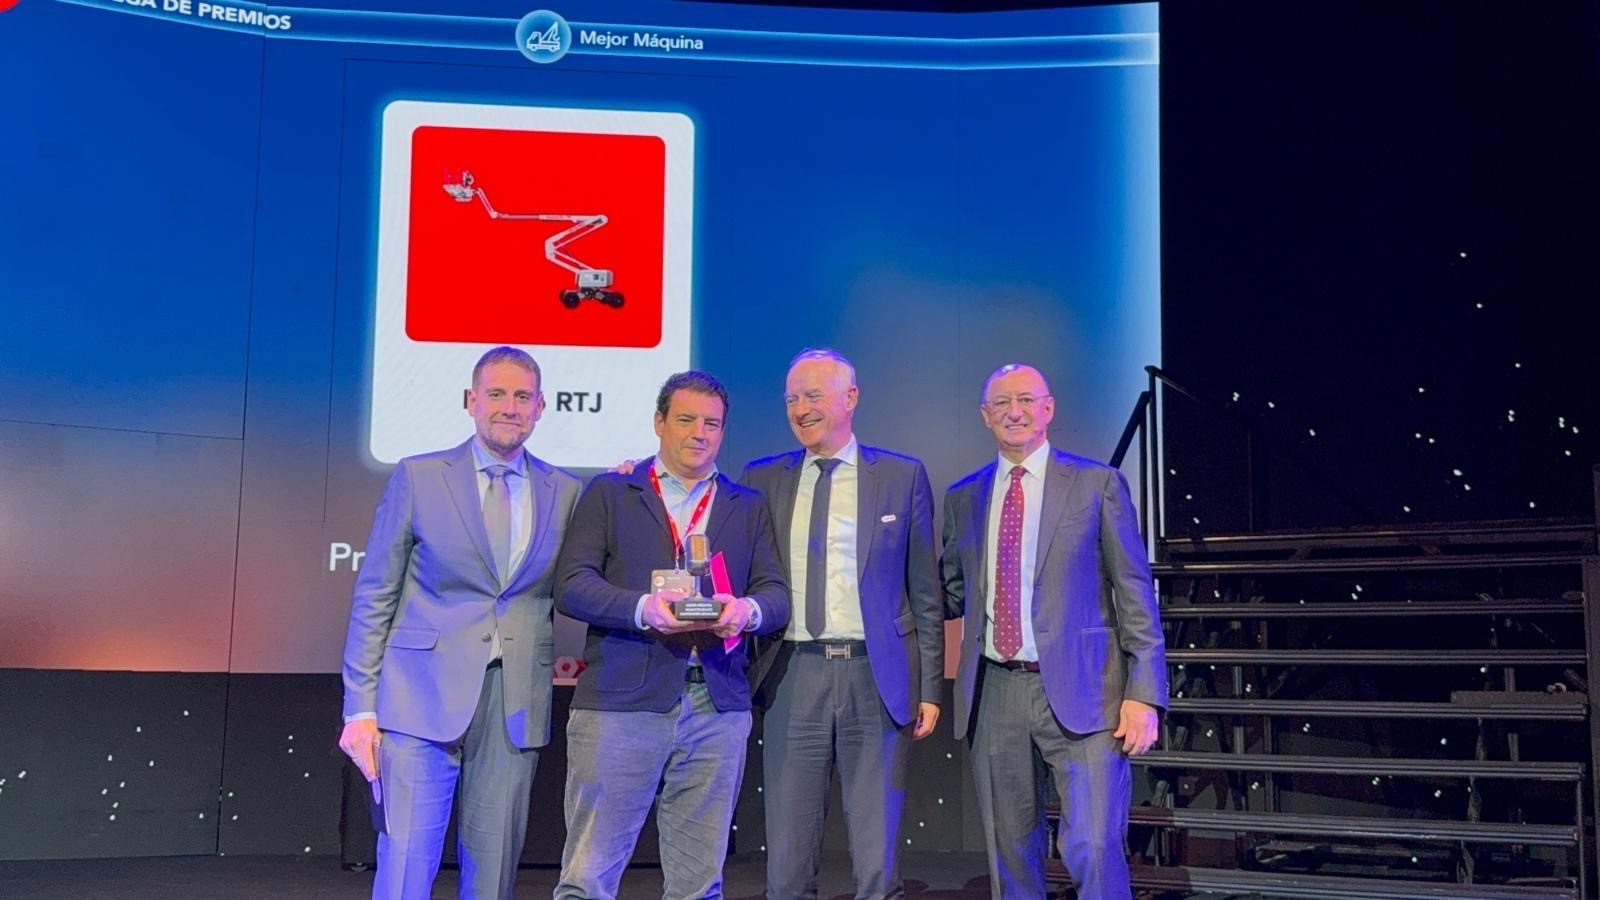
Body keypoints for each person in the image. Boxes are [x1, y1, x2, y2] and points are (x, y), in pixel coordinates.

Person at [339, 346, 581, 900]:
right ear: (472, 401)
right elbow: (375, 594)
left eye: (523, 396)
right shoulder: (420, 476)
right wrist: (360, 708)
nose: (510, 407)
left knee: (493, 874)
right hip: (417, 699)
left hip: (514, 701)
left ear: (541, 407)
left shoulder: (566, 491)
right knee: (405, 867)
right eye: (496, 394)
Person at [553, 370, 790, 900]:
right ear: (659, 422)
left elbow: (774, 593)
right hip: (621, 703)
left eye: (712, 424)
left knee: (699, 885)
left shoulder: (745, 505)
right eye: (685, 419)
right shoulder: (612, 491)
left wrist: (745, 611)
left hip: (717, 705)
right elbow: (571, 585)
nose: (699, 433)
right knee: (588, 878)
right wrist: (643, 609)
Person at [941, 363, 1167, 899]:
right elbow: (951, 591)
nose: (1013, 412)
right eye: (1001, 403)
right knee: (1010, 852)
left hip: (1089, 691)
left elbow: (1135, 593)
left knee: (1092, 844)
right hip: (994, 691)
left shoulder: (1096, 484)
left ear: (1048, 409)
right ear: (985, 416)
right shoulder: (963, 497)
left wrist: (1145, 693)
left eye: (1025, 400)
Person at [741, 349, 943, 900]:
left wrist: (929, 687)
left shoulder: (901, 476)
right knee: (787, 859)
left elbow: (925, 592)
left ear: (850, 398)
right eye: (791, 398)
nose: (800, 409)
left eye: (813, 395)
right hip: (791, 674)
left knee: (877, 860)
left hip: (875, 676)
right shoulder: (762, 478)